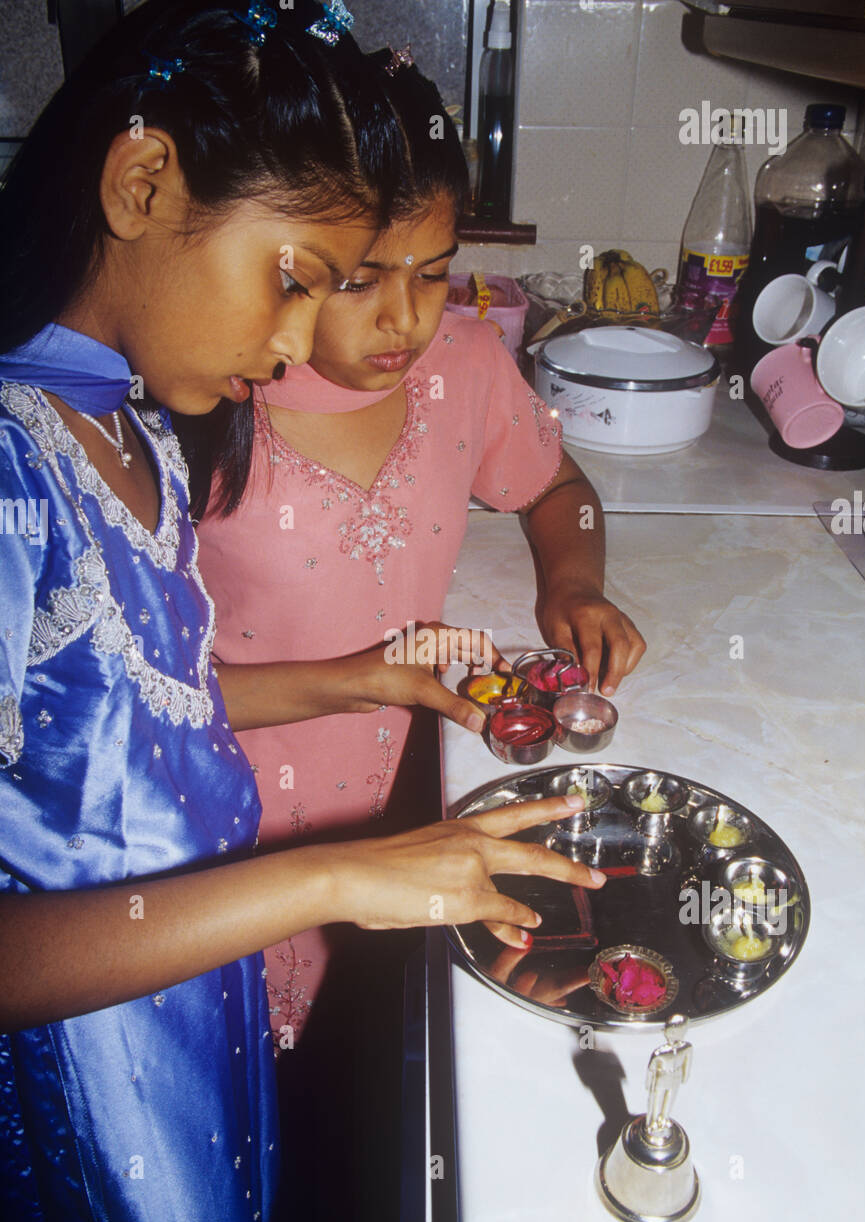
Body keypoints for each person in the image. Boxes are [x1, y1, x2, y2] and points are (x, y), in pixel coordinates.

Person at [0, 0, 605, 1222]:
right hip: (90, 1050)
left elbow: (128, 711)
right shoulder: (11, 467)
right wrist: (331, 877)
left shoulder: (133, 423)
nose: (292, 346)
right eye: (299, 279)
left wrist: (367, 676)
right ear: (142, 180)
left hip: (191, 988)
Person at [195, 48, 647, 1045]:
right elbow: (138, 690)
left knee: (369, 1047)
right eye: (358, 281)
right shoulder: (204, 389)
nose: (405, 318)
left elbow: (558, 487)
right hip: (224, 828)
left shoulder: (467, 368)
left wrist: (576, 585)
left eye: (435, 273)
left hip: (403, 800)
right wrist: (368, 677)